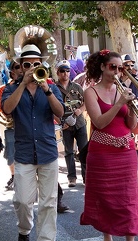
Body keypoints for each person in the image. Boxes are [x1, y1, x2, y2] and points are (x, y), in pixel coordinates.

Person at [80, 49, 138, 241]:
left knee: (129, 196)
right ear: (102, 67)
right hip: (102, 152)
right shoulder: (91, 92)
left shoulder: (124, 90)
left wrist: (133, 108)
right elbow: (99, 122)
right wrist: (119, 104)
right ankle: (107, 239)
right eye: (113, 67)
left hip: (126, 151)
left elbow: (130, 124)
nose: (117, 72)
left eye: (120, 68)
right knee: (106, 196)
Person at [1, 44, 65, 241]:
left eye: (36, 64)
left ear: (42, 65)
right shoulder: (11, 89)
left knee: (49, 200)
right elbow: (7, 109)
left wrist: (46, 89)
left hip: (47, 150)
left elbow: (60, 112)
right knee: (22, 200)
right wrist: (23, 83)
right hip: (25, 152)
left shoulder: (51, 87)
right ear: (20, 66)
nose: (31, 68)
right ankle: (24, 230)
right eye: (27, 64)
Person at [55, 59, 88, 188]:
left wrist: (81, 109)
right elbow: (50, 107)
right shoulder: (54, 88)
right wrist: (60, 121)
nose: (65, 74)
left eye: (67, 71)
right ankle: (72, 178)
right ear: (58, 73)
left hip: (79, 123)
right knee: (68, 151)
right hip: (65, 124)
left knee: (84, 150)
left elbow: (86, 102)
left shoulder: (77, 87)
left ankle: (86, 177)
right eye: (62, 71)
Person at [0, 60, 22, 190]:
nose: (21, 69)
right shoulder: (4, 89)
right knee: (11, 154)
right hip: (12, 126)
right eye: (18, 67)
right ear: (12, 72)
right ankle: (13, 175)